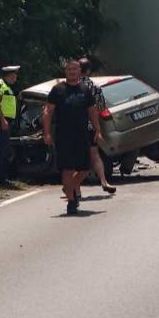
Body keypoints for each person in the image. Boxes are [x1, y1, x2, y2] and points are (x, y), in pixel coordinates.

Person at [42, 59, 102, 215]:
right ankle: (71, 201)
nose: (72, 72)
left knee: (84, 167)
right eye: (69, 69)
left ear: (80, 72)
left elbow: (92, 111)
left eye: (75, 69)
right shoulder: (58, 90)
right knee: (67, 168)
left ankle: (69, 187)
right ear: (65, 72)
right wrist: (47, 133)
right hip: (63, 135)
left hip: (82, 134)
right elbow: (48, 112)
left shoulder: (85, 90)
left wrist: (98, 130)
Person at [78, 57, 116, 194]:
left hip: (74, 127)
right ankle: (103, 181)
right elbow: (101, 108)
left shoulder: (71, 85)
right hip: (91, 127)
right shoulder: (95, 87)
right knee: (95, 155)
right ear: (89, 71)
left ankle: (76, 189)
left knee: (76, 157)